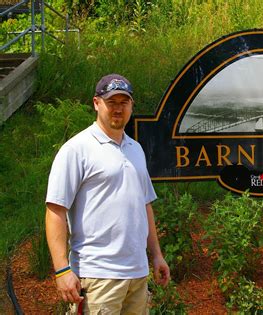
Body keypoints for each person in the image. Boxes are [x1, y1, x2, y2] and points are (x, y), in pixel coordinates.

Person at [45, 74, 170, 314]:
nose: (118, 109)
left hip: (137, 274)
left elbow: (145, 205)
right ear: (96, 103)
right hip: (98, 277)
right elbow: (55, 210)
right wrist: (62, 270)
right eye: (112, 102)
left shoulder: (136, 149)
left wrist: (156, 255)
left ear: (132, 106)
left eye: (124, 102)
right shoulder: (76, 149)